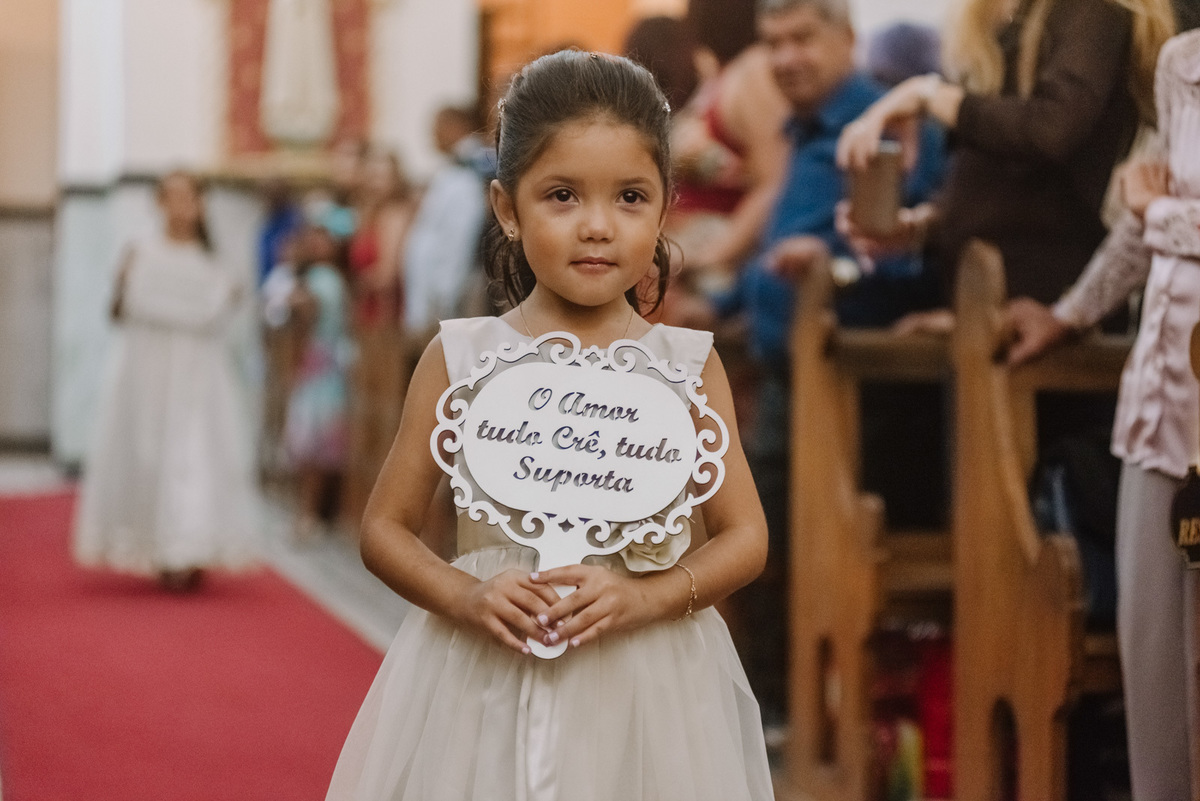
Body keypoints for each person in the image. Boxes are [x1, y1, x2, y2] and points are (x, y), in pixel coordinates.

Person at [325, 51, 774, 800]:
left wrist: (647, 595)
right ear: (507, 207)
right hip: (484, 675)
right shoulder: (462, 356)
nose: (597, 226)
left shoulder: (686, 365)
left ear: (665, 207)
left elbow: (746, 537)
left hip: (646, 683)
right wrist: (464, 594)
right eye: (562, 196)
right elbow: (386, 528)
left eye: (630, 197)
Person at [710, 0, 946, 730]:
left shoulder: (890, 123)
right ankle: (775, 705)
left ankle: (800, 715)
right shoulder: (800, 130)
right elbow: (783, 250)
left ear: (846, 39)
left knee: (786, 548)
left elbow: (925, 255)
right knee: (750, 537)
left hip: (862, 384)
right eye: (772, 43)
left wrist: (835, 264)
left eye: (802, 38)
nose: (786, 58)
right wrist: (723, 305)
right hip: (787, 370)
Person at [1004, 29, 1200, 799]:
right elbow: (1140, 219)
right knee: (1149, 654)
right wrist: (1071, 311)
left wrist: (1161, 214)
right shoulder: (1185, 62)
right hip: (1163, 397)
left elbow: (1153, 209)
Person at [836, 0, 1174, 325]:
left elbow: (1052, 130)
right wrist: (918, 230)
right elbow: (1009, 188)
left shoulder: (1093, 9)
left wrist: (927, 95)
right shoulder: (1001, 16)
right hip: (985, 308)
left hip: (1045, 313)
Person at [74, 170, 258, 591]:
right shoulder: (140, 252)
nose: (180, 206)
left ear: (200, 205)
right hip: (147, 371)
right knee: (149, 454)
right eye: (171, 197)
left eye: (187, 197)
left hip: (197, 375)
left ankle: (188, 547)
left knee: (193, 455)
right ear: (158, 203)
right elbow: (118, 314)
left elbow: (220, 313)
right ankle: (158, 544)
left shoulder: (213, 263)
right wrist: (120, 286)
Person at [344, 147, 416, 529]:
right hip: (365, 321)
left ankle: (382, 515)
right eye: (369, 172)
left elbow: (387, 274)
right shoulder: (364, 213)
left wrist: (356, 285)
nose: (373, 180)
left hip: (385, 324)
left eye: (381, 173)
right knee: (363, 416)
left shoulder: (392, 214)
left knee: (382, 415)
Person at [283, 223, 353, 540]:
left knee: (314, 445)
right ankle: (310, 512)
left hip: (321, 368)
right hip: (322, 367)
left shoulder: (321, 282)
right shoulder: (326, 280)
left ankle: (310, 513)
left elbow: (307, 313)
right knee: (312, 445)